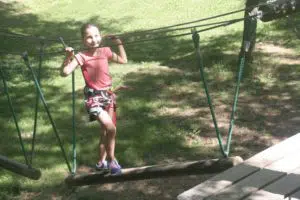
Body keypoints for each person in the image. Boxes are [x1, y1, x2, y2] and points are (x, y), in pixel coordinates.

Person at [61, 23, 127, 174]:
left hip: (109, 95)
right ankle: (111, 160)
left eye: (96, 35)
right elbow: (65, 72)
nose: (93, 40)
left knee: (105, 131)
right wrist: (68, 57)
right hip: (94, 98)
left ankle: (101, 162)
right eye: (89, 37)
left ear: (101, 36)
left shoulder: (106, 51)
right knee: (111, 128)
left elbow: (124, 60)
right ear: (83, 40)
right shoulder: (81, 56)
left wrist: (119, 43)